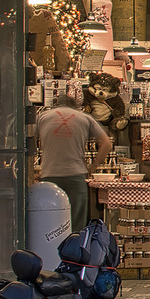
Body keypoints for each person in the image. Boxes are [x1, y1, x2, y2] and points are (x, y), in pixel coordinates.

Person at [35, 92, 112, 231]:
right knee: (76, 226)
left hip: (49, 176)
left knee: (51, 225)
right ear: (75, 106)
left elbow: (26, 139)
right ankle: (74, 250)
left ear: (56, 105)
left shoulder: (43, 117)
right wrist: (92, 167)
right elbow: (106, 143)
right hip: (76, 176)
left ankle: (51, 252)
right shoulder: (84, 118)